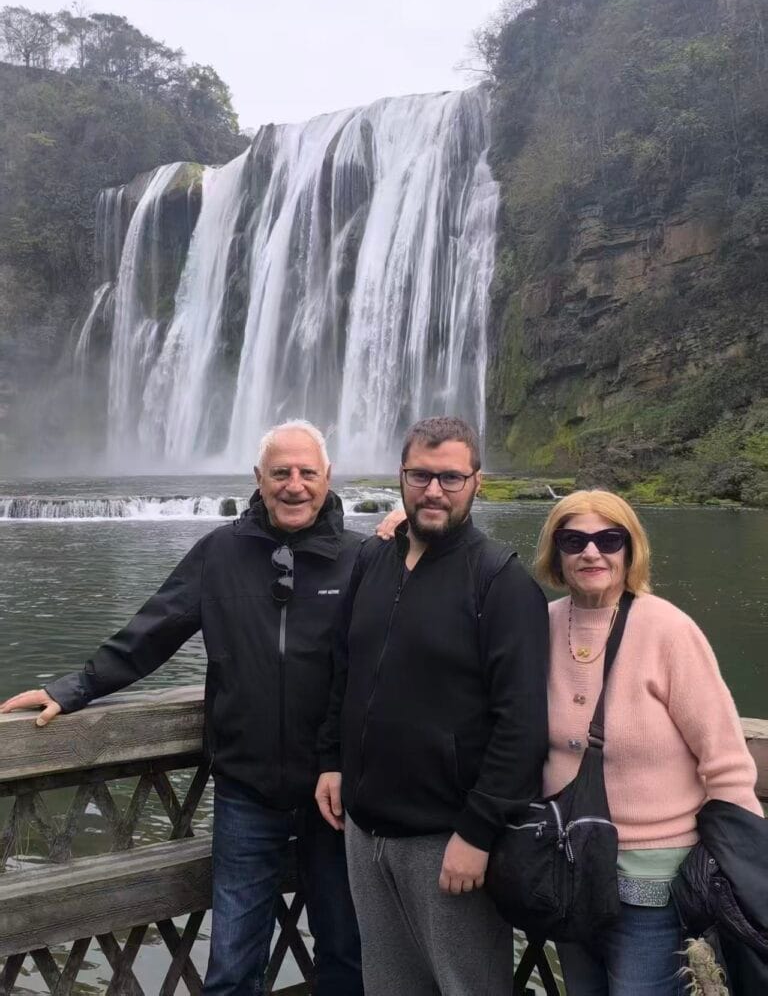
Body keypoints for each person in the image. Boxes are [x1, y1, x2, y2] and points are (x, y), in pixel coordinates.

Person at [0, 420, 364, 996]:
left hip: (335, 794)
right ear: (258, 480)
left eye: (307, 473)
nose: (294, 485)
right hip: (246, 791)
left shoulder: (363, 559)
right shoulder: (219, 552)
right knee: (231, 966)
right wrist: (75, 688)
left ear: (327, 479)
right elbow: (153, 631)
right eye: (280, 473)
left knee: (347, 954)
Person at [315, 415, 550, 996]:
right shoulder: (373, 562)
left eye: (451, 477)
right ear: (401, 476)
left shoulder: (500, 581)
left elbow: (520, 724)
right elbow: (346, 668)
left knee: (466, 986)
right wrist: (331, 759)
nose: (434, 491)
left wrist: (477, 832)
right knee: (389, 986)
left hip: (448, 841)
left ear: (477, 482)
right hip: (364, 831)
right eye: (421, 475)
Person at [533, 489, 762, 996]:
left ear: (630, 548)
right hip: (568, 871)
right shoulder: (541, 625)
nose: (591, 552)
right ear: (556, 552)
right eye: (574, 540)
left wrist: (746, 876)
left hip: (654, 881)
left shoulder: (669, 630)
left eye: (607, 539)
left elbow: (726, 762)